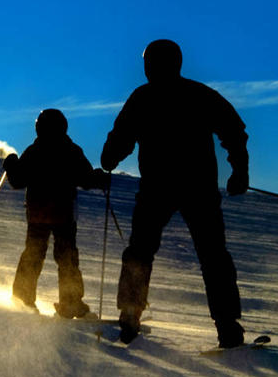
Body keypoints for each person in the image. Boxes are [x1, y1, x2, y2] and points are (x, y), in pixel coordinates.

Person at [100, 39, 249, 347]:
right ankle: (227, 326)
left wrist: (110, 156)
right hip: (197, 187)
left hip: (160, 188)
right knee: (212, 255)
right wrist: (239, 170)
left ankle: (130, 315)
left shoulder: (143, 97)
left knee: (141, 251)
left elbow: (121, 136)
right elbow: (234, 130)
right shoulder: (197, 94)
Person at [3, 109, 107, 318]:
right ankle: (71, 302)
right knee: (67, 257)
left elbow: (17, 180)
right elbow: (86, 179)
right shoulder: (71, 150)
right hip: (63, 214)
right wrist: (98, 178)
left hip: (38, 214)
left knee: (33, 254)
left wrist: (11, 165)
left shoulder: (35, 151)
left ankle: (23, 300)